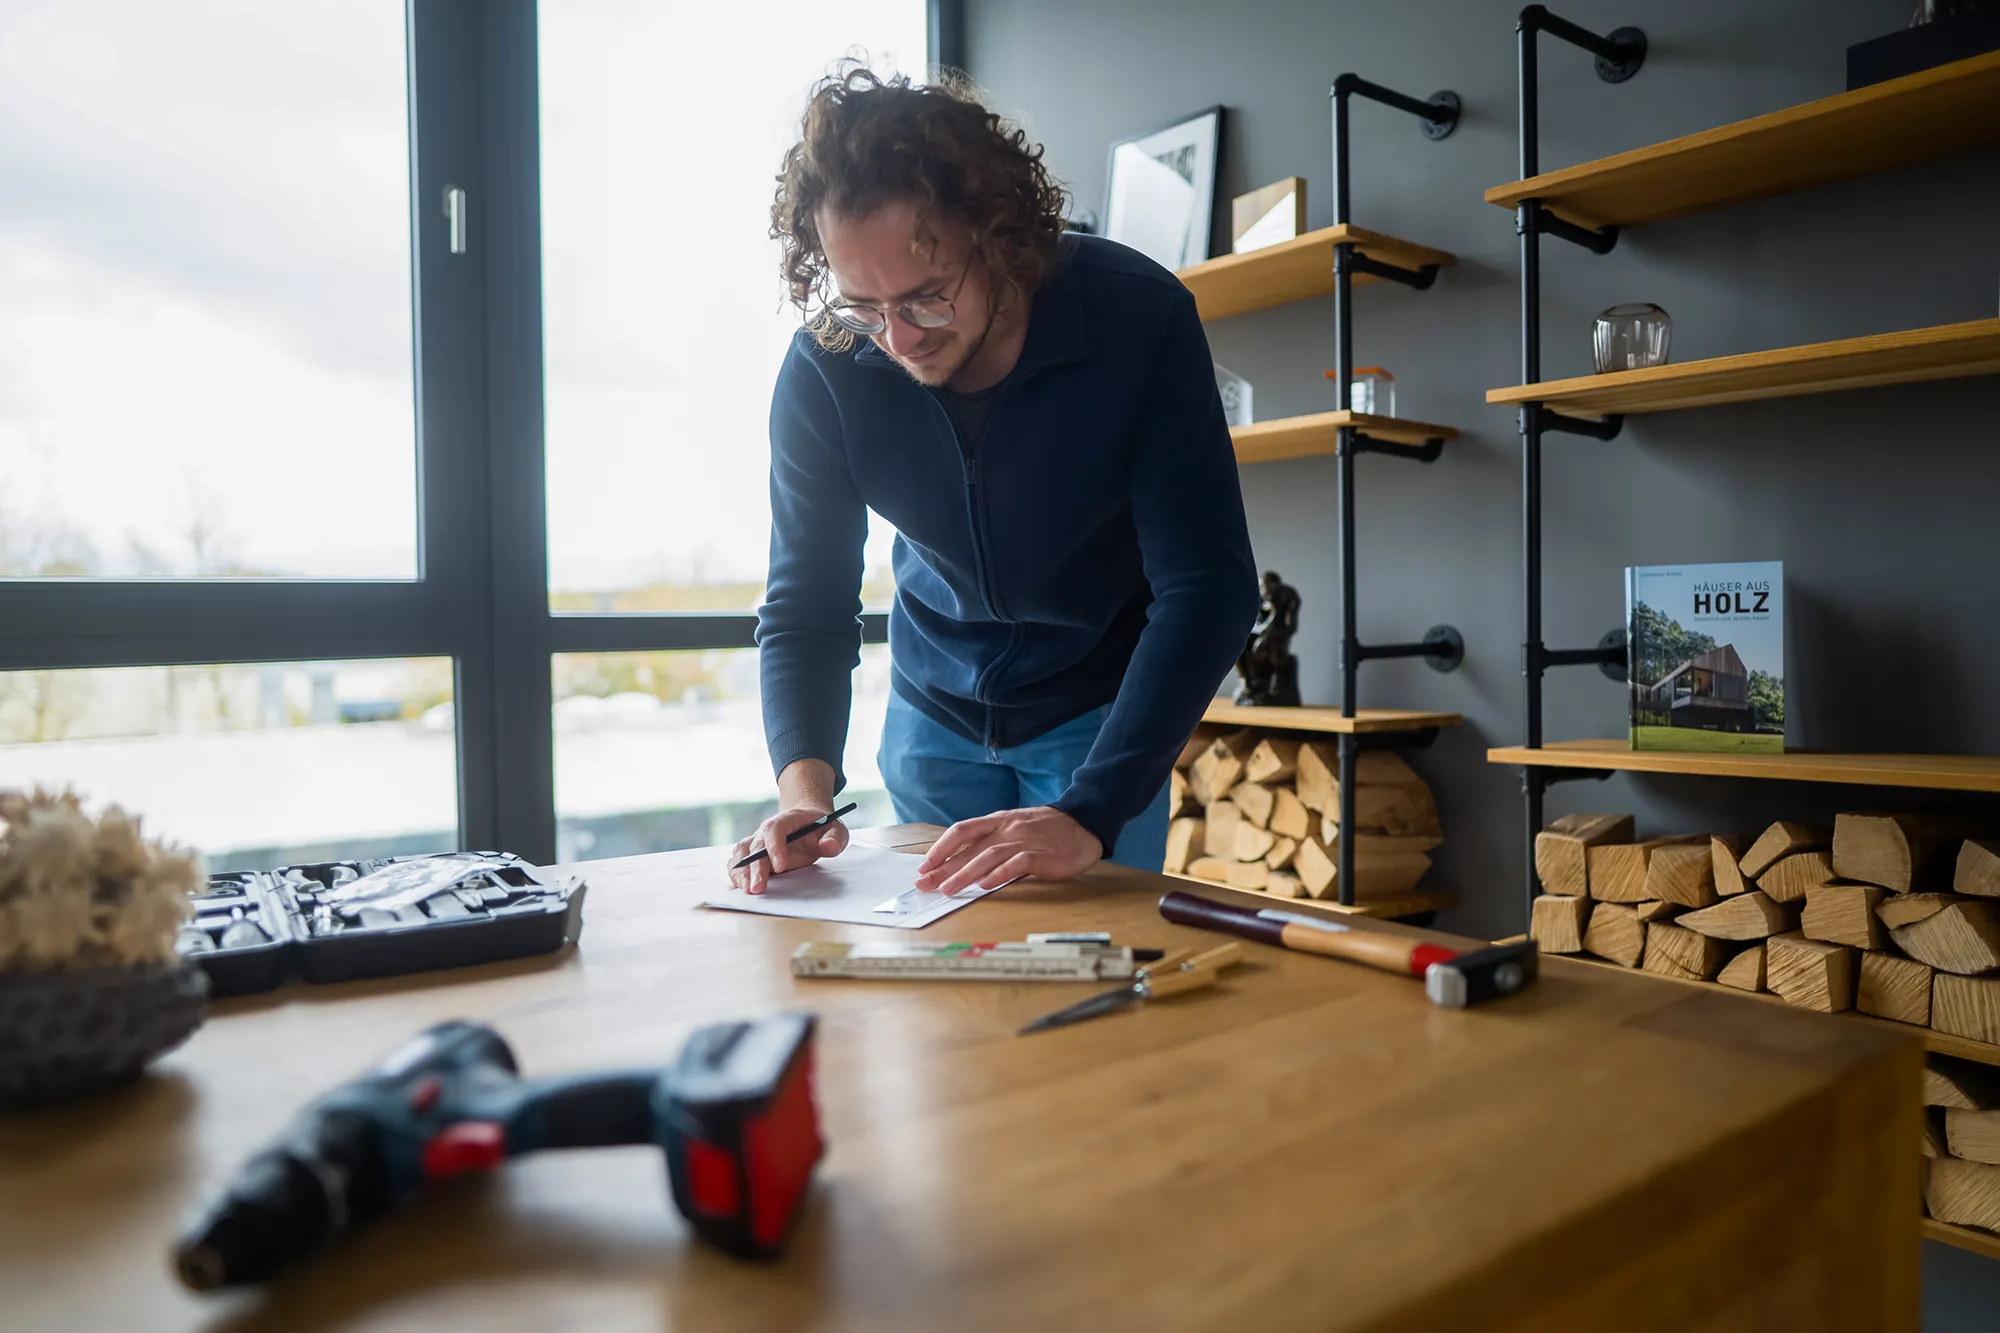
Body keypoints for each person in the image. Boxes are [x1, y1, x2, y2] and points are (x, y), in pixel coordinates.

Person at [726, 66, 1256, 897]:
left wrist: (1093, 808)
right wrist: (803, 795)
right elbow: (806, 602)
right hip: (929, 720)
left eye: (926, 299)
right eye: (865, 307)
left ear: (998, 236)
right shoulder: (827, 367)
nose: (898, 339)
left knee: (1087, 957)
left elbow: (1207, 586)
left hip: (1096, 720)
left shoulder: (1136, 320)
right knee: (944, 966)